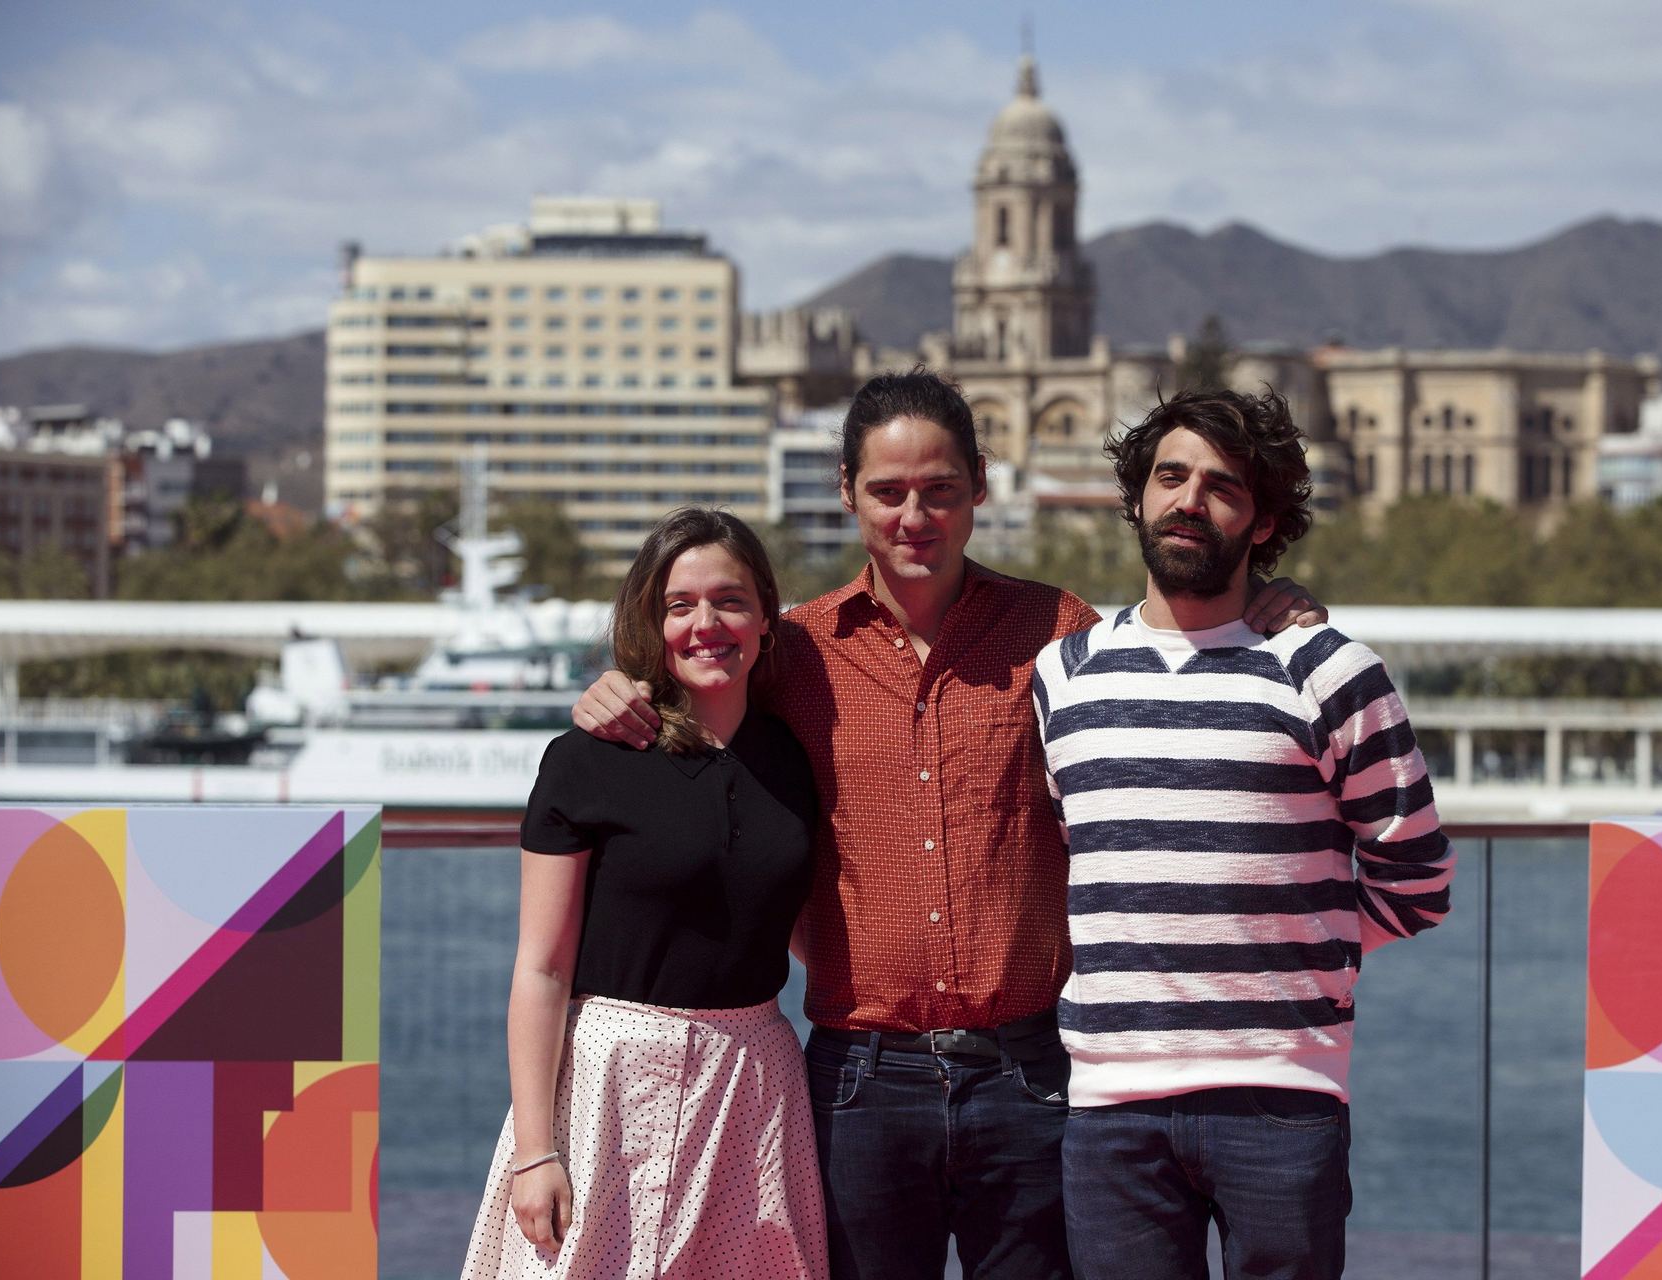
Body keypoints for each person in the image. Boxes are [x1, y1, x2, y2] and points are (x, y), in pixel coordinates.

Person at [572, 369, 1328, 1280]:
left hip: (1035, 1074)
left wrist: (1274, 604)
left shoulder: (1060, 634)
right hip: (858, 1081)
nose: (913, 517)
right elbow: (697, 696)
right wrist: (622, 689)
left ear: (979, 485)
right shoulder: (794, 653)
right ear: (847, 492)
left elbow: (1177, 657)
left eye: (939, 491)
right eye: (887, 493)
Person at [1031, 387, 1456, 1280]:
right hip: (1112, 1109)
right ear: (1138, 498)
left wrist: (1293, 946)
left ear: (1263, 521)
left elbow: (1418, 882)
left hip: (1283, 1102)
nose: (1190, 499)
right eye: (1170, 476)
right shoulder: (1061, 678)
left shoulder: (1329, 669)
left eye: (1223, 486)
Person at [462, 508, 826, 1280]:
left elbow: (796, 925)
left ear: (765, 615)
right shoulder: (588, 760)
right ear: (649, 621)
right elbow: (541, 970)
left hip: (755, 1086)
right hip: (607, 1087)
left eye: (730, 600)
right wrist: (535, 1153)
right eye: (679, 605)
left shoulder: (795, 758)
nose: (706, 624)